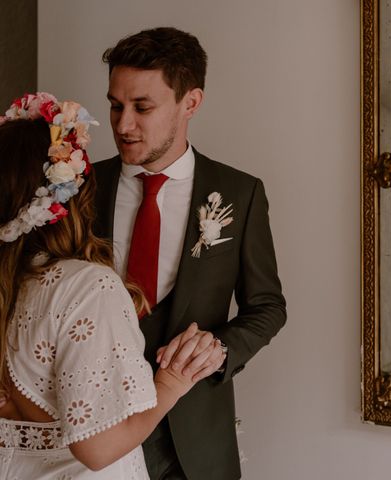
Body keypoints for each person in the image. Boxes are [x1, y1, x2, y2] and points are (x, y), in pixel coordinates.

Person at [94, 27, 287, 479]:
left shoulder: (241, 193)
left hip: (195, 441)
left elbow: (268, 307)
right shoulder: (79, 188)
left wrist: (220, 348)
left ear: (191, 103)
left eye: (142, 107)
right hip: (96, 431)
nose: (122, 125)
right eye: (116, 105)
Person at [0, 92, 221, 478]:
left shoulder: (11, 284)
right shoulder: (86, 287)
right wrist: (170, 383)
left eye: (143, 105)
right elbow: (98, 449)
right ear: (71, 193)